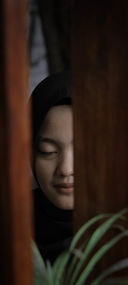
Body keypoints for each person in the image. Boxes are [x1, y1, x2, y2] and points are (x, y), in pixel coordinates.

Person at [31, 71, 73, 264]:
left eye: (81, 150)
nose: (65, 169)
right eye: (48, 151)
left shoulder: (126, 232)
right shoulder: (11, 225)